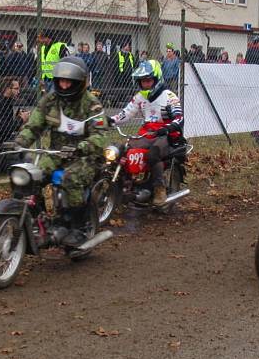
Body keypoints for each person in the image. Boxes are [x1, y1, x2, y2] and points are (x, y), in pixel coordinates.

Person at [15, 57, 108, 247]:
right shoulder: (49, 101)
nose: (64, 86)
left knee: (70, 178)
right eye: (61, 81)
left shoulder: (91, 104)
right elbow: (34, 125)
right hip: (56, 153)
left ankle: (79, 227)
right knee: (33, 175)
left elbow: (100, 136)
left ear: (79, 83)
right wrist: (19, 142)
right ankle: (39, 219)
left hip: (85, 157)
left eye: (69, 82)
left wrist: (82, 147)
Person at [110, 59, 184, 206]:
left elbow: (179, 118)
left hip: (166, 134)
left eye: (148, 81)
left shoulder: (169, 96)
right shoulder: (140, 97)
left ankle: (159, 189)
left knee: (153, 154)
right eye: (142, 81)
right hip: (147, 132)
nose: (145, 84)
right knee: (124, 151)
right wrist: (109, 120)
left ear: (157, 79)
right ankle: (126, 185)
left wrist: (167, 128)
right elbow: (125, 114)